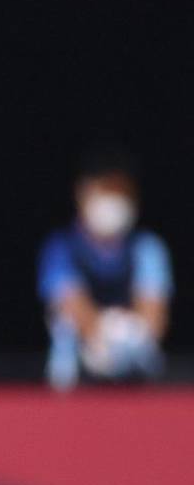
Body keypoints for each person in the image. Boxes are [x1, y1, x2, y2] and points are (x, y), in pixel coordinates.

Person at [37, 149, 174, 390]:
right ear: (83, 193)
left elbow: (155, 313)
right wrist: (100, 334)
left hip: (133, 354)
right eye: (106, 191)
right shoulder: (62, 247)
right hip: (81, 360)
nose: (113, 203)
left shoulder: (146, 248)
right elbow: (70, 301)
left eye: (120, 194)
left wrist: (129, 335)